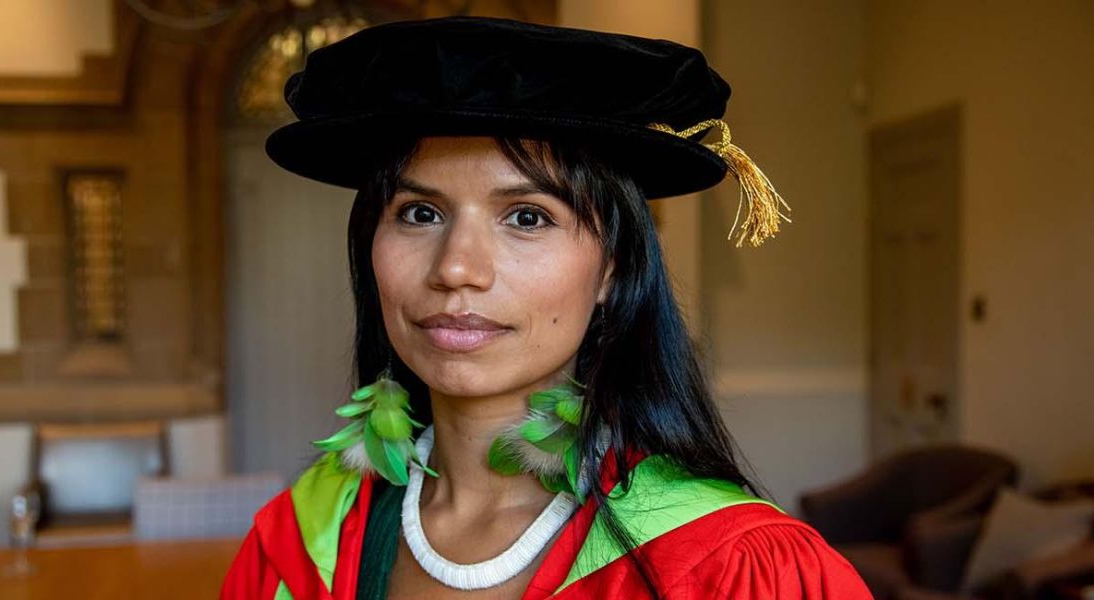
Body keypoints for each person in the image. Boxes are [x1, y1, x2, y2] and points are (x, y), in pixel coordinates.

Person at [221, 16, 872, 600]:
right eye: (420, 213)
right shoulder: (299, 542)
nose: (456, 268)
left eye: (527, 217)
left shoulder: (734, 570)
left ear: (613, 269)